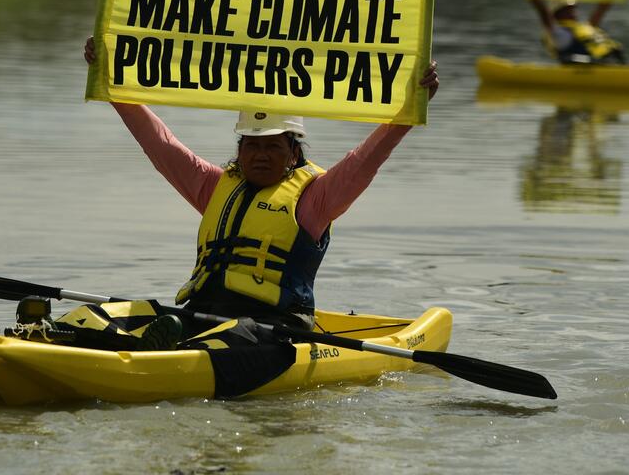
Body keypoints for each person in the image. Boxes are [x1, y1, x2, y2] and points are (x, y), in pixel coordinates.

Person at [82, 36, 439, 347]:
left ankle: (161, 355)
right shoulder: (214, 186)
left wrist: (406, 113)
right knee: (97, 316)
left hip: (276, 330)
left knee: (231, 336)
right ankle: (68, 339)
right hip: (203, 315)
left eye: (272, 147)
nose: (261, 156)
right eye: (252, 146)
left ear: (293, 154)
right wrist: (112, 86)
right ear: (240, 151)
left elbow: (364, 161)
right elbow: (160, 144)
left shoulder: (316, 197)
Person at [521, 0, 625, 65]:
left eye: (573, 8)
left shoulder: (584, 29)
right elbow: (543, 12)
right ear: (557, 14)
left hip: (610, 64)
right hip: (588, 70)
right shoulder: (559, 34)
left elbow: (602, 9)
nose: (573, 12)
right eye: (567, 9)